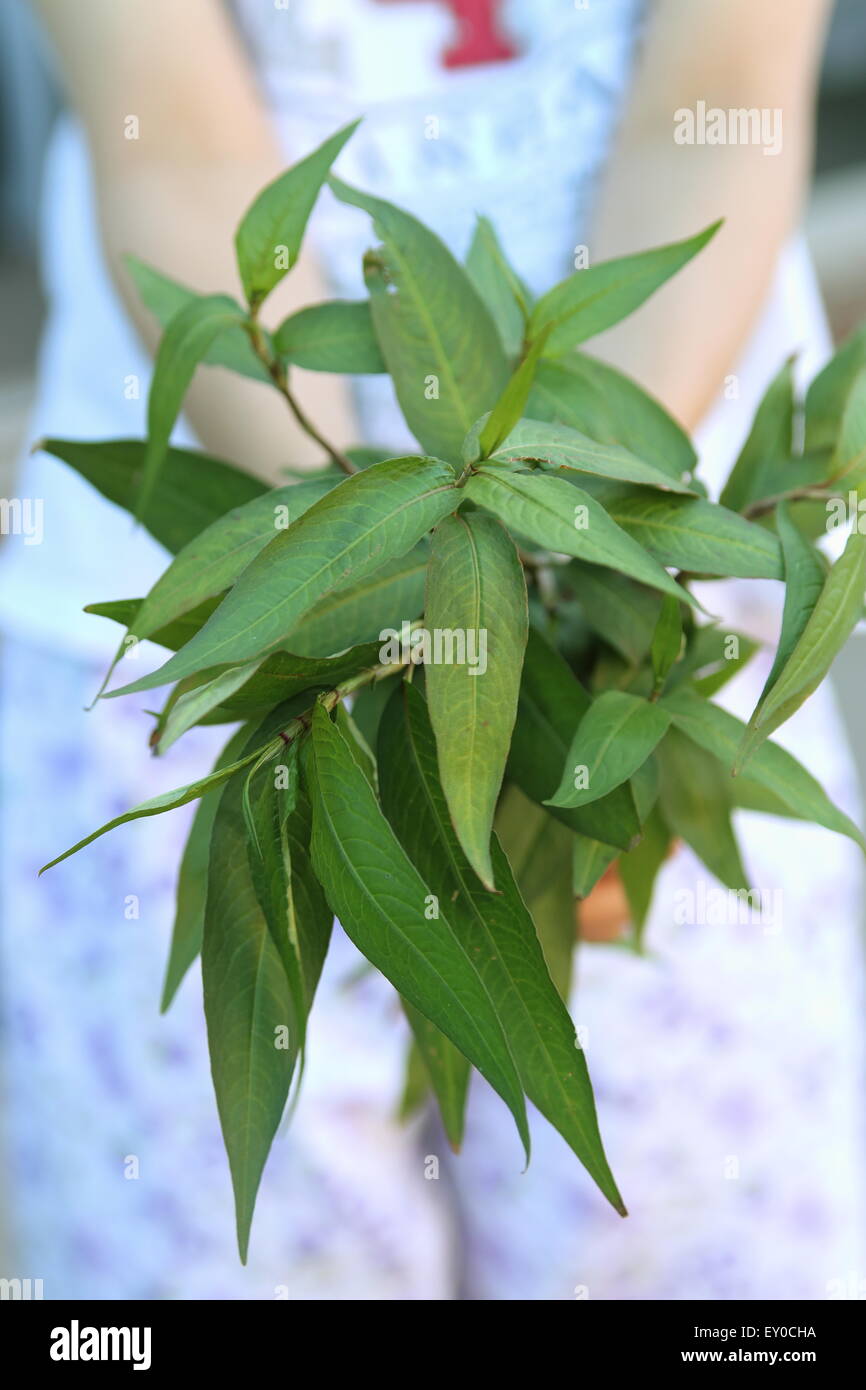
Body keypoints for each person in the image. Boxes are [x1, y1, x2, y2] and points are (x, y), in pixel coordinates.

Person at [1, 0, 862, 1299]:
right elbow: (168, 138)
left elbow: (723, 98)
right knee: (230, 1255)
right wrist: (387, 601)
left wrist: (557, 633)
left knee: (694, 1245)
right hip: (212, 663)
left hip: (647, 608)